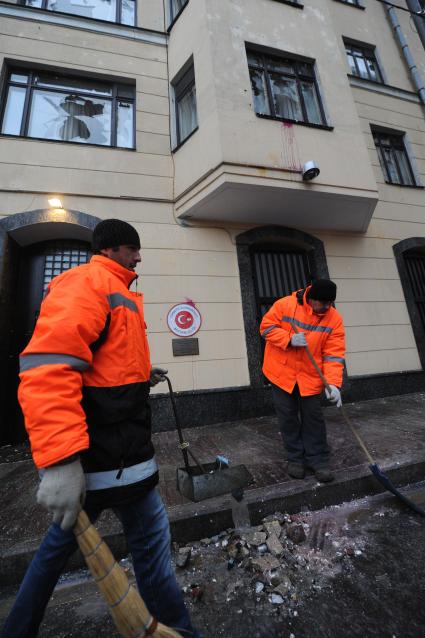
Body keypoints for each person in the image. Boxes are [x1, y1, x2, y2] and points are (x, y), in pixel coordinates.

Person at [1, 219, 202, 638]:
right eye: (134, 249)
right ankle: (178, 630)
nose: (139, 256)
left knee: (62, 553)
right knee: (149, 554)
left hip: (123, 457)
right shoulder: (89, 284)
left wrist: (142, 373)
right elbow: (49, 368)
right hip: (101, 460)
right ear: (112, 249)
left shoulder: (118, 291)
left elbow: (103, 362)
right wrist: (58, 461)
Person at [260, 279, 345, 483]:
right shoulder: (285, 305)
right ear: (311, 298)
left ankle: (318, 461)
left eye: (329, 304)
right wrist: (288, 338)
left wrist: (333, 384)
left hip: (310, 377)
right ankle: (295, 459)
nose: (326, 308)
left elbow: (333, 354)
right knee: (288, 418)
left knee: (313, 419)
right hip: (281, 374)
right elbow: (265, 328)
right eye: (322, 303)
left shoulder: (333, 318)